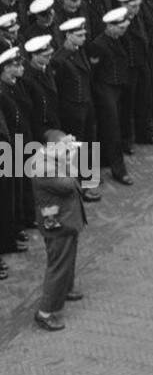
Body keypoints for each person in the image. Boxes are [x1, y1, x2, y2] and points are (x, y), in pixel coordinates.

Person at [30, 140, 86, 332]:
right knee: (58, 266)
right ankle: (45, 313)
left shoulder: (46, 160)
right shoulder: (45, 169)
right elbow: (70, 184)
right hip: (59, 225)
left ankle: (65, 289)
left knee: (67, 259)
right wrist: (68, 160)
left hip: (65, 222)